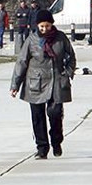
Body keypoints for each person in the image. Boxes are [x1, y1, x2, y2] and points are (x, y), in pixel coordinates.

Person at [10, 9, 76, 160]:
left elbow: (71, 56)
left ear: (52, 24)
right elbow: (22, 62)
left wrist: (68, 72)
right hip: (35, 82)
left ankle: (56, 141)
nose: (45, 29)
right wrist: (15, 85)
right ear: (37, 26)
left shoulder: (60, 38)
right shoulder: (32, 40)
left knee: (55, 114)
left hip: (57, 80)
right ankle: (42, 148)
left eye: (47, 26)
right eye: (42, 27)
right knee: (37, 117)